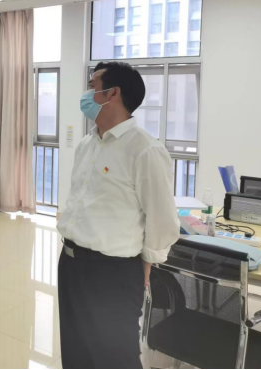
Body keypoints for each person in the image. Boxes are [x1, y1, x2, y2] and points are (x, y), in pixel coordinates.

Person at [58, 62, 180, 369]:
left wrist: (146, 264)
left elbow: (162, 219)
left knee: (115, 356)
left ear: (112, 93)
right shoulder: (87, 144)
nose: (86, 93)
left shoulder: (144, 150)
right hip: (71, 263)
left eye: (92, 86)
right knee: (75, 350)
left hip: (112, 272)